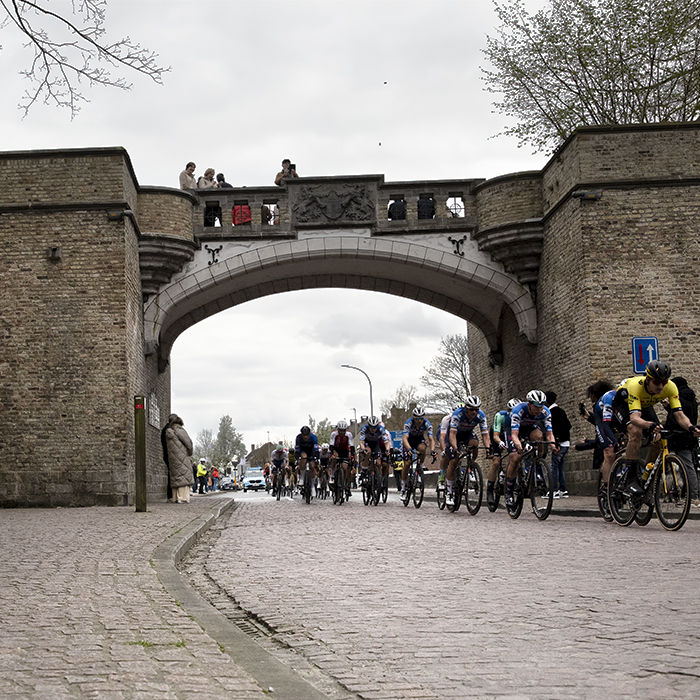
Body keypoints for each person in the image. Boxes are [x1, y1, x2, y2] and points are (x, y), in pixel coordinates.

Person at [612, 360, 699, 496]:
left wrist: (690, 427)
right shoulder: (636, 386)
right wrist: (649, 424)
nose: (660, 386)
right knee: (635, 432)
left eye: (663, 383)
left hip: (645, 405)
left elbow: (680, 415)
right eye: (657, 382)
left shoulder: (671, 387)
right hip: (622, 404)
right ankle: (631, 478)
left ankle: (645, 476)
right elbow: (635, 418)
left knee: (658, 437)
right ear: (648, 380)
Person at [506, 390, 559, 508]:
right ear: (529, 404)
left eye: (541, 406)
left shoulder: (546, 412)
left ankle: (537, 462)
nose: (539, 410)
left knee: (539, 437)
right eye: (536, 407)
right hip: (513, 429)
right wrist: (519, 446)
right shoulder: (518, 410)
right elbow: (514, 435)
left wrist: (553, 446)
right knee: (515, 458)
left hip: (529, 426)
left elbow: (550, 434)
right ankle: (508, 493)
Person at [446, 396, 491, 506]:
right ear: (466, 408)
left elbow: (485, 435)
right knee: (453, 461)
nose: (474, 412)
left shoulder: (481, 415)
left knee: (475, 444)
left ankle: (470, 465)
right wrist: (455, 449)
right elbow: (452, 434)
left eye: (477, 409)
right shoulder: (458, 414)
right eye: (472, 409)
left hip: (467, 434)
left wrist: (488, 449)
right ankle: (449, 492)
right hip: (455, 434)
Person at [663, 376, 700, 506]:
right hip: (689, 437)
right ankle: (690, 496)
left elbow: (676, 419)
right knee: (688, 466)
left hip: (679, 437)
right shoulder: (691, 399)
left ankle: (693, 497)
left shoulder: (679, 400)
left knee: (685, 467)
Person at [486, 398, 521, 508]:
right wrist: (500, 442)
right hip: (498, 435)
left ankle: (512, 481)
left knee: (517, 457)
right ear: (508, 410)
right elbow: (495, 435)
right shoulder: (501, 416)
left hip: (512, 434)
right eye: (511, 411)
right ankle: (489, 490)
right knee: (496, 462)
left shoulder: (520, 416)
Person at [401, 407, 435, 494]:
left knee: (423, 449)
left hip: (419, 440)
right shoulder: (408, 423)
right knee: (407, 463)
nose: (419, 420)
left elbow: (431, 439)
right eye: (417, 418)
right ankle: (403, 487)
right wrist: (408, 448)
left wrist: (432, 450)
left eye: (421, 418)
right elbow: (404, 438)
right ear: (413, 418)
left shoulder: (427, 424)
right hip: (408, 441)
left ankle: (420, 468)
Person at [545, 391, 572, 498]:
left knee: (554, 467)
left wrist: (557, 442)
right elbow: (568, 426)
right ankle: (562, 489)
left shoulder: (552, 412)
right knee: (560, 467)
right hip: (566, 443)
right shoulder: (561, 411)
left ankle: (554, 490)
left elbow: (556, 429)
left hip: (559, 443)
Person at [164, 414, 194, 503]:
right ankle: (183, 497)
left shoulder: (168, 432)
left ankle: (175, 497)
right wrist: (190, 452)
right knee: (183, 474)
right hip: (182, 456)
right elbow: (188, 443)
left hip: (173, 458)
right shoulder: (179, 430)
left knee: (176, 475)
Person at [359, 416, 392, 490]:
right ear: (368, 425)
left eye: (374, 427)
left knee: (378, 463)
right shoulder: (364, 428)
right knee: (368, 452)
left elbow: (386, 442)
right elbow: (361, 442)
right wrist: (363, 449)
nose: (373, 429)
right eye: (371, 427)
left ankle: (377, 479)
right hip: (367, 443)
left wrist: (387, 450)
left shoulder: (381, 429)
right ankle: (364, 472)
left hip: (376, 444)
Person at [295, 425, 319, 494]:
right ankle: (302, 478)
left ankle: (312, 486)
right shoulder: (298, 438)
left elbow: (316, 449)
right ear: (301, 434)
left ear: (309, 434)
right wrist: (297, 458)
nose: (305, 437)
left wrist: (317, 458)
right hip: (303, 450)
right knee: (303, 458)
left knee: (312, 466)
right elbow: (297, 450)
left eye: (307, 435)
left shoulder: (313, 437)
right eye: (304, 435)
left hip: (311, 451)